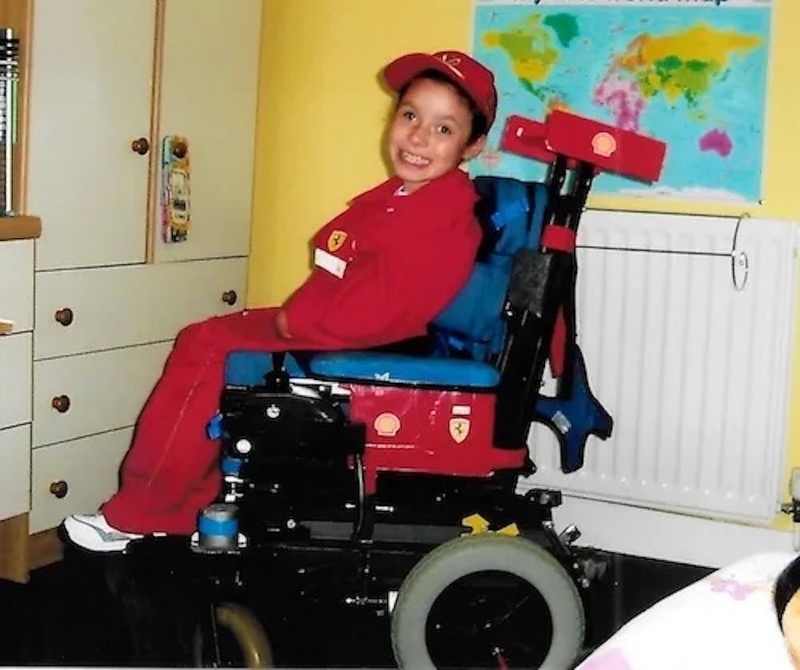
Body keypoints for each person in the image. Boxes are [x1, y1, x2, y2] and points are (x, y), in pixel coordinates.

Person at [63, 49, 498, 552]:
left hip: (352, 338)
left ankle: (145, 510)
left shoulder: (436, 214)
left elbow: (381, 308)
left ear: (472, 145)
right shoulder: (406, 199)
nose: (419, 137)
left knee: (206, 345)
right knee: (207, 336)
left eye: (444, 129)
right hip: (335, 326)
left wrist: (298, 320)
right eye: (410, 115)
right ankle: (187, 500)